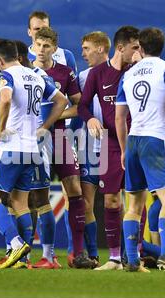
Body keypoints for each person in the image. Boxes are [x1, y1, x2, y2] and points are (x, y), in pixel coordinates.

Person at [0, 39, 68, 269]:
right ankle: (22, 258)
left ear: (0, 60)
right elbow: (62, 101)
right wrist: (45, 126)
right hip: (32, 148)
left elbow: (6, 99)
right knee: (20, 202)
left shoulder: (5, 76)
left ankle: (16, 242)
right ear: (18, 55)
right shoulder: (36, 76)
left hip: (10, 146)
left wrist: (0, 130)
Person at [115, 27, 165, 273]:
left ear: (141, 46)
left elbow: (119, 118)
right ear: (162, 46)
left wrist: (123, 149)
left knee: (134, 205)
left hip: (134, 140)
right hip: (155, 140)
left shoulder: (128, 74)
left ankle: (132, 260)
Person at [78, 26, 143, 271]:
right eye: (135, 47)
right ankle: (115, 258)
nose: (138, 51)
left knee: (136, 200)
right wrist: (91, 119)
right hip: (110, 145)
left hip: (136, 143)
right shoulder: (97, 74)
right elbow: (83, 106)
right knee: (111, 202)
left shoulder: (138, 71)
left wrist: (141, 63)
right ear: (120, 48)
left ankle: (135, 256)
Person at [32, 27, 97, 269]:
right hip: (34, 140)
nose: (41, 50)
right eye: (38, 44)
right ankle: (41, 255)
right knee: (35, 195)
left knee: (75, 190)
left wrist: (57, 116)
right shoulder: (27, 71)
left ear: (54, 49)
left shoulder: (65, 72)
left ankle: (76, 253)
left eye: (46, 46)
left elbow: (80, 105)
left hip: (59, 136)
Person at [66, 31, 114, 267]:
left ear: (101, 49)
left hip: (114, 149)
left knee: (117, 202)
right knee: (85, 203)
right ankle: (93, 254)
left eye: (86, 48)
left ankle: (130, 253)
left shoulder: (121, 75)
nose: (82, 53)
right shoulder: (83, 78)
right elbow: (78, 110)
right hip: (88, 149)